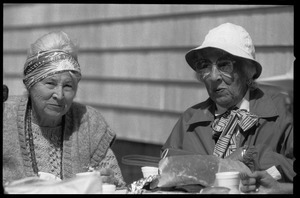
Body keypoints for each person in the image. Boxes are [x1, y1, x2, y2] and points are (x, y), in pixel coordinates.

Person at [161, 23, 294, 182]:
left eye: (224, 65)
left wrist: (252, 157)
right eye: (205, 66)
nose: (213, 76)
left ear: (249, 70)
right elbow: (166, 169)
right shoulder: (190, 120)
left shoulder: (283, 111)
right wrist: (217, 166)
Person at [2, 31, 126, 188]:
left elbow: (119, 185)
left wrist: (111, 183)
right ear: (29, 84)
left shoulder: (89, 123)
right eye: (50, 84)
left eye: (68, 86)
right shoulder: (6, 118)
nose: (60, 95)